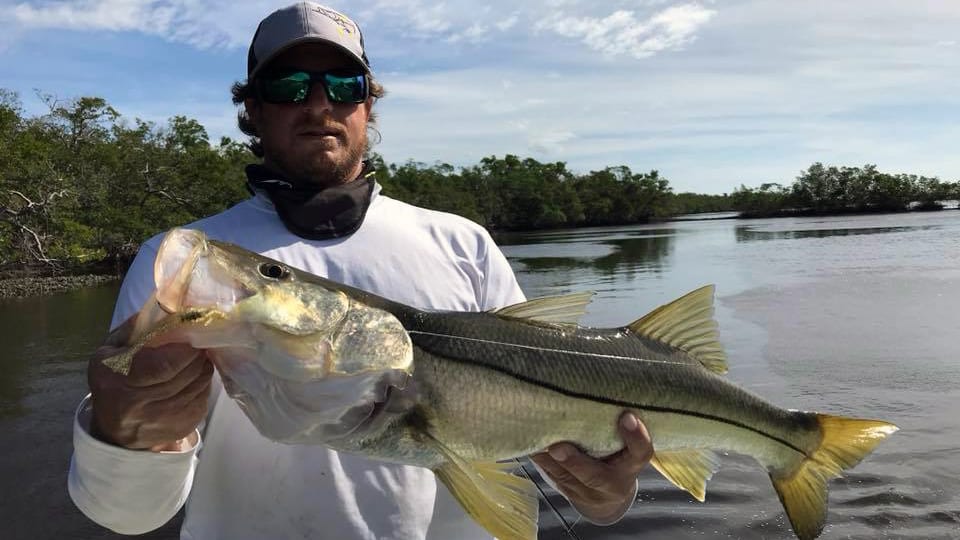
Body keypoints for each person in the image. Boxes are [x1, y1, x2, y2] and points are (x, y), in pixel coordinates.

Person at [68, 2, 654, 538]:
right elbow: (128, 516)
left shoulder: (463, 243)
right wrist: (125, 435)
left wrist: (605, 493)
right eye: (289, 86)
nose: (318, 104)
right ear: (253, 108)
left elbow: (549, 454)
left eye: (342, 85)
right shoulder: (186, 260)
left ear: (367, 103)